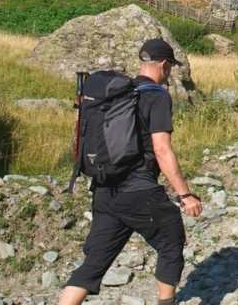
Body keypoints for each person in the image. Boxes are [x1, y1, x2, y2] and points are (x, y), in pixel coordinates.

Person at [58, 39, 203, 305]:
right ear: (163, 64)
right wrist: (185, 195)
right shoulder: (157, 96)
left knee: (92, 266)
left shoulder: (119, 94)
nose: (169, 73)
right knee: (171, 241)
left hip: (104, 191)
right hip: (139, 190)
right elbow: (162, 150)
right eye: (170, 66)